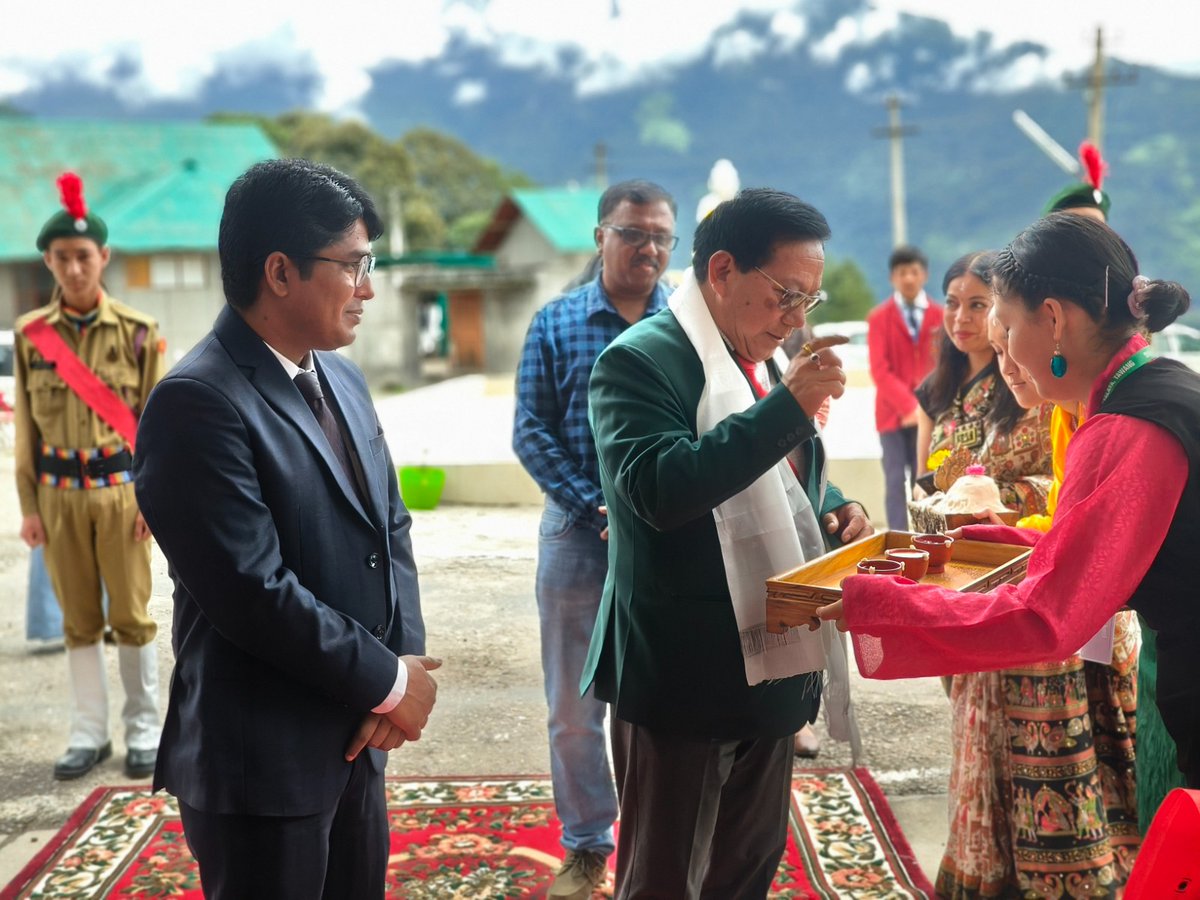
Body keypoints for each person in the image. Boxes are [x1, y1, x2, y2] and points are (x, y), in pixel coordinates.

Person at [134, 159, 439, 900]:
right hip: (263, 762)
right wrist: (389, 681)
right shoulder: (197, 402)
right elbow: (252, 592)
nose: (367, 288)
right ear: (279, 271)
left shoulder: (340, 376)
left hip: (357, 734)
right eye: (353, 265)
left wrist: (401, 662)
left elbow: (389, 526)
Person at [820, 214, 1200, 799]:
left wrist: (884, 604)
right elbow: (1101, 547)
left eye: (1008, 326)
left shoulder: (1122, 428)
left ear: (1053, 319)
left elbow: (1046, 616)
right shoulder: (1160, 384)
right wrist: (982, 542)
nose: (1011, 357)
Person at [583, 188, 871, 898]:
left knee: (746, 866)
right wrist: (788, 407)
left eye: (809, 299)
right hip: (684, 670)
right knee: (666, 877)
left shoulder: (758, 353)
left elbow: (780, 476)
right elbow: (660, 489)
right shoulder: (641, 361)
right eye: (785, 296)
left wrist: (836, 506)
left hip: (771, 659)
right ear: (721, 270)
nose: (796, 319)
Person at [512, 179, 675, 898]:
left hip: (666, 536)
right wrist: (596, 505)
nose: (649, 248)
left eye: (662, 237)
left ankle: (656, 840)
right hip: (576, 535)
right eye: (633, 233)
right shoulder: (556, 322)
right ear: (601, 236)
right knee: (575, 708)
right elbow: (530, 431)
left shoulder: (689, 326)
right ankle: (585, 845)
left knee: (660, 700)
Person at [906, 251, 1055, 896]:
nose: (962, 318)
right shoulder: (945, 389)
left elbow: (1063, 485)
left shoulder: (1036, 387)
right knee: (977, 734)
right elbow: (926, 477)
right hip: (963, 569)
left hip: (1028, 578)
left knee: (1020, 749)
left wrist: (996, 501)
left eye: (979, 305)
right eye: (953, 303)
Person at [14, 172, 164, 780]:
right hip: (58, 498)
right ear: (47, 262)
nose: (74, 268)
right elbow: (27, 430)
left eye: (83, 256)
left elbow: (158, 429)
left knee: (132, 616)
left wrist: (153, 500)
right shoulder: (31, 337)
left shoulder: (138, 332)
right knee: (77, 620)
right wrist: (29, 505)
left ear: (103, 256)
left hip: (121, 495)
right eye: (62, 257)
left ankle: (144, 730)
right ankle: (88, 733)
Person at [867, 244, 943, 529]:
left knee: (925, 478)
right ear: (893, 278)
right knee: (894, 479)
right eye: (902, 273)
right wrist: (909, 406)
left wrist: (923, 407)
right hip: (891, 414)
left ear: (924, 275)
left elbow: (944, 366)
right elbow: (879, 369)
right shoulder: (879, 318)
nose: (908, 278)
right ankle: (898, 538)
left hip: (930, 412)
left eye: (914, 271)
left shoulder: (941, 316)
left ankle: (925, 536)